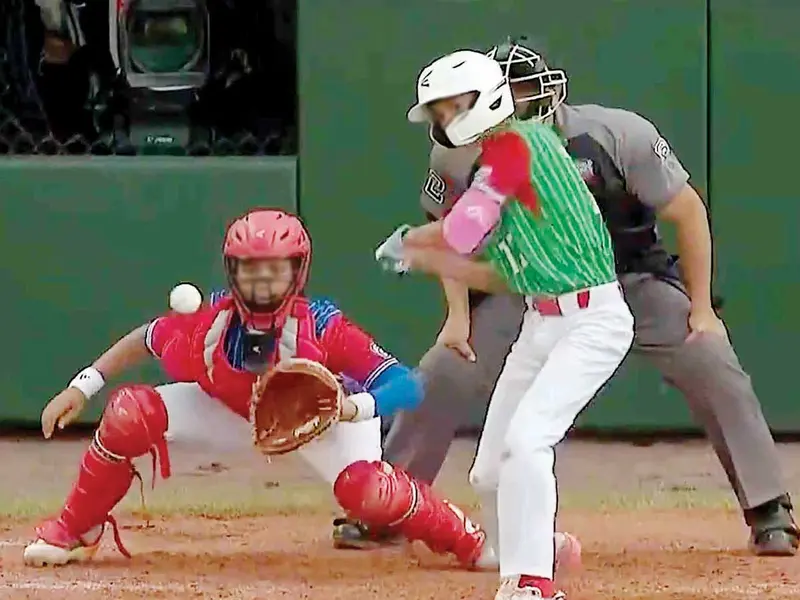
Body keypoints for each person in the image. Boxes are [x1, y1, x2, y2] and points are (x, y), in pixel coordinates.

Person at [362, 35, 800, 559]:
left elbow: (686, 213)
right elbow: (455, 232)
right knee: (447, 368)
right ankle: (390, 502)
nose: (519, 101)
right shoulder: (458, 152)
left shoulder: (614, 134)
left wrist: (702, 308)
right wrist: (456, 319)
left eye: (523, 90)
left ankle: (768, 505)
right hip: (529, 287)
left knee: (709, 357)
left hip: (628, 277)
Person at [22, 208, 492, 570]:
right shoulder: (208, 323)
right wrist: (82, 387)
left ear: (297, 269)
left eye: (275, 267)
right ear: (232, 271)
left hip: (319, 423)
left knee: (367, 492)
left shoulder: (322, 325)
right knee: (129, 414)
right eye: (250, 268)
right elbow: (145, 338)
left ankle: (471, 542)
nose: (262, 279)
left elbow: (406, 386)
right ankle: (72, 529)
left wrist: (352, 408)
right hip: (229, 415)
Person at [376, 50, 634, 600]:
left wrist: (414, 247)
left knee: (527, 442)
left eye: (453, 107)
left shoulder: (517, 145)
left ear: (485, 98)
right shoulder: (504, 159)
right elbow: (498, 275)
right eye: (440, 112)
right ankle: (545, 547)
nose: (446, 120)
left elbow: (464, 230)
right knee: (489, 471)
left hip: (593, 321)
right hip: (542, 321)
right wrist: (415, 247)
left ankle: (531, 584)